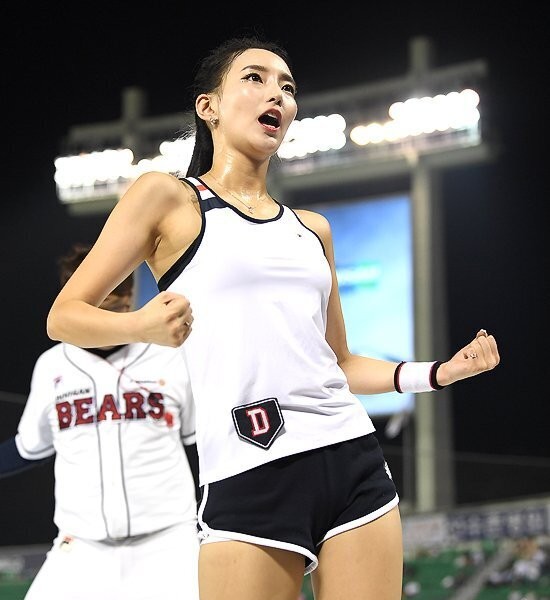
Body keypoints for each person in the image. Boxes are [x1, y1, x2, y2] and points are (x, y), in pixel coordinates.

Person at [46, 37, 501, 600]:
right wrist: (139, 327)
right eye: (256, 78)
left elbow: (341, 363)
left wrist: (437, 373)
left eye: (287, 87)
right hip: (248, 469)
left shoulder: (313, 229)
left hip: (351, 459)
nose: (278, 95)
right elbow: (64, 316)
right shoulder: (166, 198)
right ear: (207, 106)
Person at [1, 243, 200, 600]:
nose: (117, 297)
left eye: (122, 288)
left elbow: (198, 441)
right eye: (106, 290)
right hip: (81, 546)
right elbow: (27, 447)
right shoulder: (52, 366)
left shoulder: (169, 354)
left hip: (169, 541)